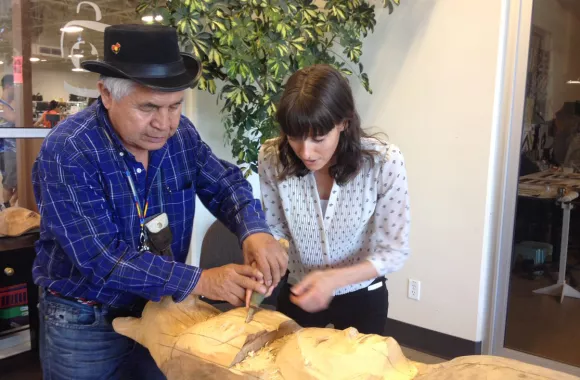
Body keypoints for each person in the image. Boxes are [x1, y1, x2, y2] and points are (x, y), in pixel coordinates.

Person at [33, 24, 288, 380]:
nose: (164, 124)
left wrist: (254, 231)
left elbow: (224, 183)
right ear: (106, 94)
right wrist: (204, 282)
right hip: (85, 318)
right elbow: (100, 256)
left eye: (175, 106)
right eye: (149, 107)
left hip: (160, 306)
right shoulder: (69, 150)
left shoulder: (181, 135)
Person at [258, 64, 411, 335]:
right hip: (299, 291)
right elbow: (276, 228)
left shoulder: (383, 162)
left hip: (363, 295)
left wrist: (333, 280)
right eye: (294, 137)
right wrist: (269, 262)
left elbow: (394, 250)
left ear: (344, 122)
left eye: (319, 138)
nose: (306, 152)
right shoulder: (272, 158)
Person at [0, 74, 17, 209]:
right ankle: (6, 208)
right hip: (7, 149)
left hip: (16, 148)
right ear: (7, 86)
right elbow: (13, 118)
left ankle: (8, 206)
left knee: (18, 181)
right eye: (15, 87)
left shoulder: (12, 104)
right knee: (10, 181)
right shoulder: (2, 105)